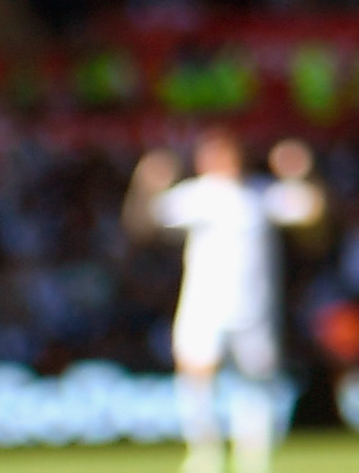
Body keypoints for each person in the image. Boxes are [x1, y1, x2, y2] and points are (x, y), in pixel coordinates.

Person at [123, 131, 322, 473]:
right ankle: (205, 454)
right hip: (205, 306)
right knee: (197, 378)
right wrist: (146, 184)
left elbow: (314, 216)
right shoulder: (196, 197)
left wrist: (301, 173)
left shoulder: (261, 194)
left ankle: (254, 460)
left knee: (256, 384)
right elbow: (141, 226)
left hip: (254, 310)